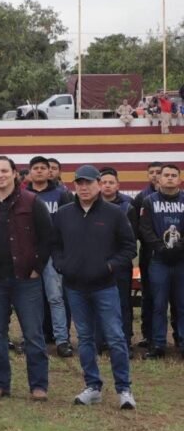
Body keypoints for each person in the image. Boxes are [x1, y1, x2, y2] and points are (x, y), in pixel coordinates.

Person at [52, 165, 137, 410]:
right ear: (74, 186)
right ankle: (93, 386)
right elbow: (55, 245)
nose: (84, 187)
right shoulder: (63, 214)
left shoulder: (114, 214)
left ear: (99, 184)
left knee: (115, 337)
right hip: (75, 287)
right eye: (79, 183)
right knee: (85, 338)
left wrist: (110, 266)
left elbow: (129, 248)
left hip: (105, 287)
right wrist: (61, 265)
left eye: (88, 183)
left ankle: (124, 389)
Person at [0, 156, 52, 401]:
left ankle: (38, 386)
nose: (0, 175)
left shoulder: (32, 202)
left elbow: (47, 237)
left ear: (15, 173)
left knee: (33, 335)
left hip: (26, 279)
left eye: (4, 171)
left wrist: (38, 267)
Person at [26, 156, 74, 358]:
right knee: (31, 299)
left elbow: (67, 225)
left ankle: (62, 340)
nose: (39, 171)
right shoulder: (22, 194)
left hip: (53, 253)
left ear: (49, 172)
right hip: (29, 253)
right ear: (29, 172)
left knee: (56, 298)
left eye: (42, 168)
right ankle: (33, 339)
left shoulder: (61, 195)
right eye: (35, 168)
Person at [139, 163, 184, 359]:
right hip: (158, 260)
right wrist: (160, 247)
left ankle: (182, 341)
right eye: (166, 175)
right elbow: (145, 229)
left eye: (174, 175)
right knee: (158, 303)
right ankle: (158, 344)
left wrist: (179, 247)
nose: (170, 178)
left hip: (182, 260)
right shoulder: (149, 201)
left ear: (179, 179)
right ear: (160, 178)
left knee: (182, 303)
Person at [99, 168, 139, 350]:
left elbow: (132, 238)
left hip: (121, 264)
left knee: (122, 302)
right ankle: (100, 341)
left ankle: (125, 341)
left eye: (111, 182)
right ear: (98, 185)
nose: (107, 186)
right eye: (103, 182)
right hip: (97, 264)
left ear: (118, 185)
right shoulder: (91, 204)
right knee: (98, 302)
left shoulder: (128, 206)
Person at [132, 161, 163, 348]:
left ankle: (176, 336)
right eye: (151, 172)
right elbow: (137, 227)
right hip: (148, 254)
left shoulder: (179, 197)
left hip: (175, 256)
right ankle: (148, 335)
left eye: (158, 172)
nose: (155, 175)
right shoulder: (141, 197)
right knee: (148, 295)